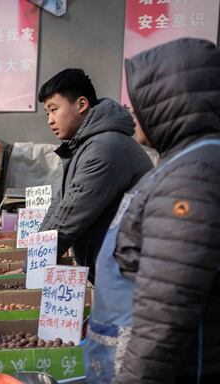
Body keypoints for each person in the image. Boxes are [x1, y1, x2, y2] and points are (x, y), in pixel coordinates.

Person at [92, 38, 220, 384]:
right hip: (165, 371)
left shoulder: (193, 176)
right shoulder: (187, 162)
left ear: (170, 100)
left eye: (139, 100)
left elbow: (168, 308)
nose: (131, 112)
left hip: (180, 376)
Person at [37, 68, 152, 281]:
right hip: (111, 263)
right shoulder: (85, 146)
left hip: (125, 272)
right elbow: (61, 204)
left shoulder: (105, 148)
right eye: (47, 113)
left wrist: (33, 266)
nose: (50, 120)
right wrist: (33, 252)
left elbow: (70, 215)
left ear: (81, 105)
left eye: (54, 109)